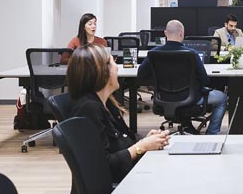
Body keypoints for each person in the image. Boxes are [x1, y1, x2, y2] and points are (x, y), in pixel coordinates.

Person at [67, 44, 169, 184]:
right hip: (118, 188)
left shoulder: (107, 103)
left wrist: (146, 141)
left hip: (129, 176)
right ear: (102, 72)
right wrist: (141, 147)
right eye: (113, 62)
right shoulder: (88, 109)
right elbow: (102, 166)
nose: (117, 67)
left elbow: (121, 142)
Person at [137, 19, 228, 135]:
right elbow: (205, 81)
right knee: (222, 98)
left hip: (162, 98)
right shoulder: (191, 54)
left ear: (165, 33)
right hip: (191, 99)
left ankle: (187, 126)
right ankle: (211, 134)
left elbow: (141, 76)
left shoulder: (153, 53)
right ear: (182, 34)